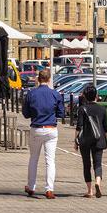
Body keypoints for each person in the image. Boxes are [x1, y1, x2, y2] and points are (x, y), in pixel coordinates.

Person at [22, 68, 65, 199]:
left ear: (38, 79)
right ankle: (49, 189)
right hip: (51, 129)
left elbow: (25, 113)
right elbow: (61, 113)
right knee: (50, 160)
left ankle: (31, 186)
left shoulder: (31, 93)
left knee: (33, 158)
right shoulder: (55, 94)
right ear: (49, 79)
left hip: (36, 128)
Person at [74, 85, 107, 198]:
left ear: (84, 96)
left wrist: (75, 141)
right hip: (99, 139)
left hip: (85, 140)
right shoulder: (102, 109)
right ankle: (97, 182)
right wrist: (105, 139)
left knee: (86, 164)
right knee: (98, 163)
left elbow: (79, 127)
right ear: (96, 96)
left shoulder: (82, 109)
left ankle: (90, 191)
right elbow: (106, 127)